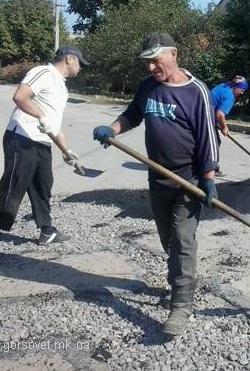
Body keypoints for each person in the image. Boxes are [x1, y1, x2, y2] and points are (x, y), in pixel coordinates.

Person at [92, 32, 219, 337]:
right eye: (147, 63)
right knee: (168, 240)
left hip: (188, 180)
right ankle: (178, 281)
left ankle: (181, 303)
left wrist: (209, 180)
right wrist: (112, 129)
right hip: (158, 177)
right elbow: (133, 115)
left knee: (182, 240)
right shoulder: (148, 87)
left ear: (173, 54)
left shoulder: (196, 91)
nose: (150, 68)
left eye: (155, 61)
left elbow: (208, 139)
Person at [0, 45, 89, 255]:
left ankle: (46, 231)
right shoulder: (43, 73)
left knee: (43, 186)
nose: (82, 67)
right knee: (14, 185)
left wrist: (68, 153)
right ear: (69, 59)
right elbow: (20, 96)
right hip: (22, 137)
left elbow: (53, 124)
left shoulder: (62, 86)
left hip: (42, 142)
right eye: (80, 62)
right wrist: (40, 116)